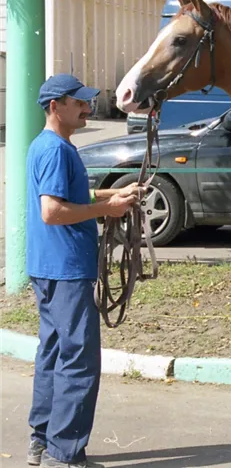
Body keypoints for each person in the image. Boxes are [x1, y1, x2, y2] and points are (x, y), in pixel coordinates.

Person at [25, 73, 142, 468]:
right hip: (68, 268)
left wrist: (113, 195)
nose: (88, 108)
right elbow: (52, 210)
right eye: (79, 103)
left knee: (53, 354)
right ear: (56, 107)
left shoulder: (46, 145)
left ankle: (41, 441)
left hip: (48, 267)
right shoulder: (57, 150)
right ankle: (66, 451)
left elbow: (69, 196)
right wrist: (106, 210)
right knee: (79, 360)